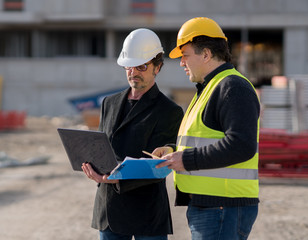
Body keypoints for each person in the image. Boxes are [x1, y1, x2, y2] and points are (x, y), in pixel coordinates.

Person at [152, 17, 260, 240]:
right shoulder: (210, 87)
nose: (182, 62)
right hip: (212, 206)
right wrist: (174, 151)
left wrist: (187, 160)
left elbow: (241, 145)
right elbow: (205, 139)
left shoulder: (232, 87)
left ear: (206, 54)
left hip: (223, 207)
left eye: (185, 55)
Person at [81, 28, 184, 240]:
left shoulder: (169, 111)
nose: (133, 72)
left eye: (141, 66)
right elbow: (101, 147)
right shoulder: (109, 103)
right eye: (129, 66)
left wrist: (114, 179)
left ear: (158, 67)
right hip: (110, 211)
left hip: (146, 213)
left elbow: (158, 165)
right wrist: (93, 166)